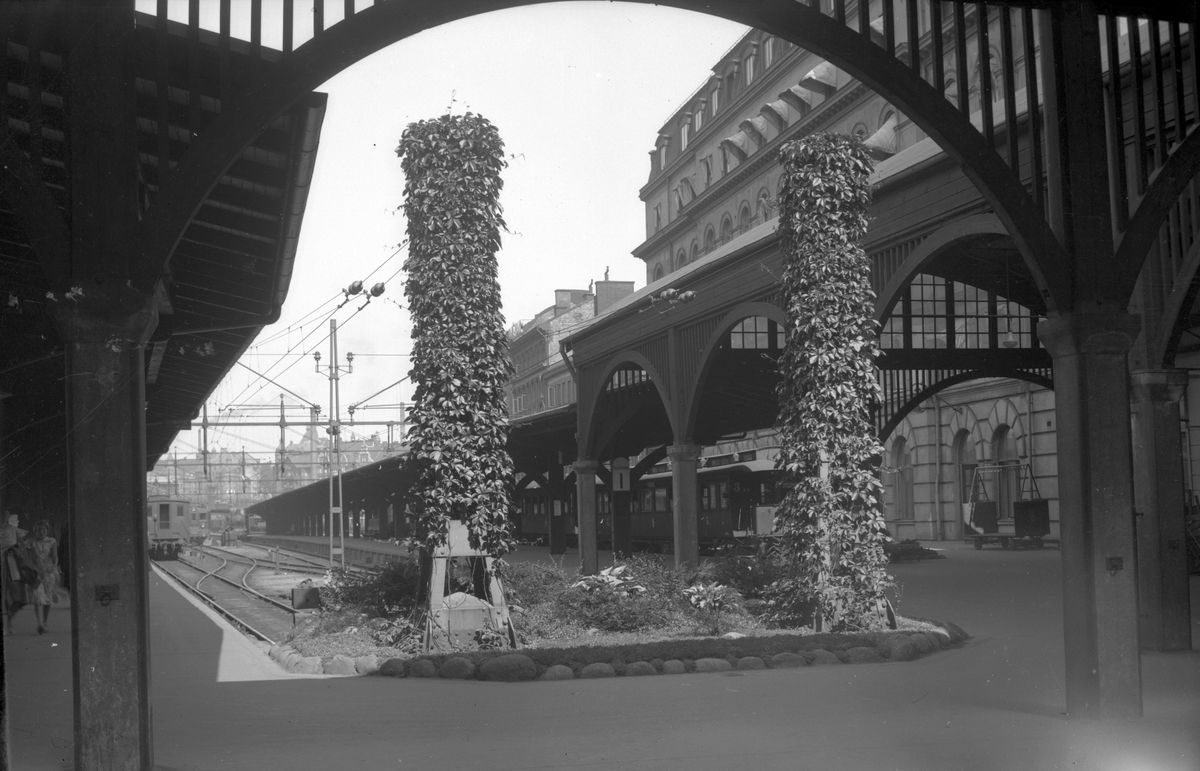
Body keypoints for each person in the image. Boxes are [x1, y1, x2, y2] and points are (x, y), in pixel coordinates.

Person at [25, 520, 61, 634]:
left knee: (47, 598)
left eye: (44, 530)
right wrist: (30, 566)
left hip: (48, 572)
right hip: (36, 572)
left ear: (47, 531)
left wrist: (53, 567)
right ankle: (39, 623)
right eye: (39, 530)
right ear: (35, 531)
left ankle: (45, 622)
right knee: (37, 596)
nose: (42, 532)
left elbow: (55, 557)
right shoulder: (31, 542)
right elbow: (24, 553)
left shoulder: (51, 541)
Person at [2, 512, 29, 635]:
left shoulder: (14, 530)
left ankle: (9, 621)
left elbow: (22, 546)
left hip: (12, 565)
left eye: (4, 515)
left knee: (16, 596)